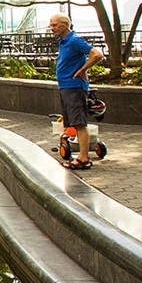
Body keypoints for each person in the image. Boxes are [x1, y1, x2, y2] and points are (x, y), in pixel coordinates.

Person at [49, 13, 104, 170]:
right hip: (66, 86)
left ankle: (84, 159)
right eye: (51, 25)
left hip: (74, 87)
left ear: (65, 25)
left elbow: (97, 54)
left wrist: (83, 70)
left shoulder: (74, 41)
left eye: (55, 25)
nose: (52, 28)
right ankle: (79, 155)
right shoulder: (63, 42)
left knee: (79, 123)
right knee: (72, 122)